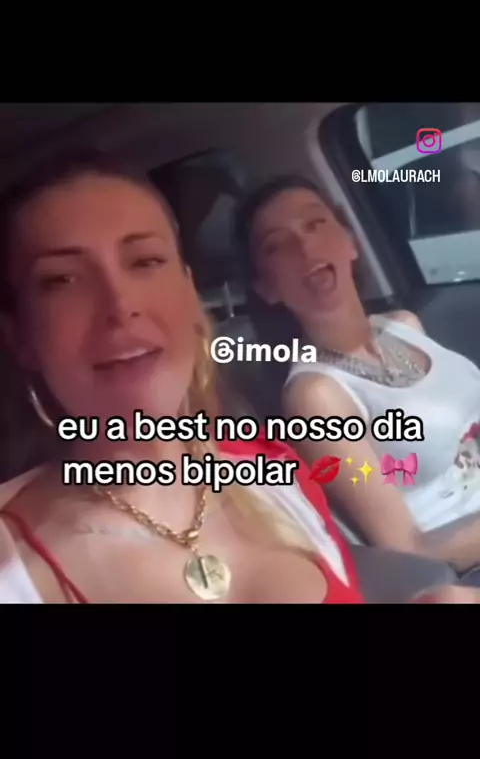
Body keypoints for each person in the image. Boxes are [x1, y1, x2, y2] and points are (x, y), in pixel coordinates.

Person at [0, 154, 475, 605]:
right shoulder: (13, 563)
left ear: (189, 292)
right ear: (20, 335)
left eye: (145, 261)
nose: (120, 307)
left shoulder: (274, 474)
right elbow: (406, 542)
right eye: (61, 281)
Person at [236, 174, 480, 584]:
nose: (306, 247)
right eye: (278, 245)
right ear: (266, 287)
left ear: (350, 242)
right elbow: (408, 548)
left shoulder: (404, 325)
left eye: (315, 224)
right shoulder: (315, 396)